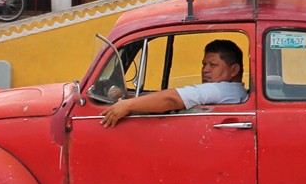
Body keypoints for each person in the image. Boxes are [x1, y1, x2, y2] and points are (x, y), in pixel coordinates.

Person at [101, 39, 247, 127]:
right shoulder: (234, 91)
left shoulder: (221, 90)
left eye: (213, 65)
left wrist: (127, 105)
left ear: (234, 70)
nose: (205, 70)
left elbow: (172, 98)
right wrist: (130, 98)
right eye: (204, 64)